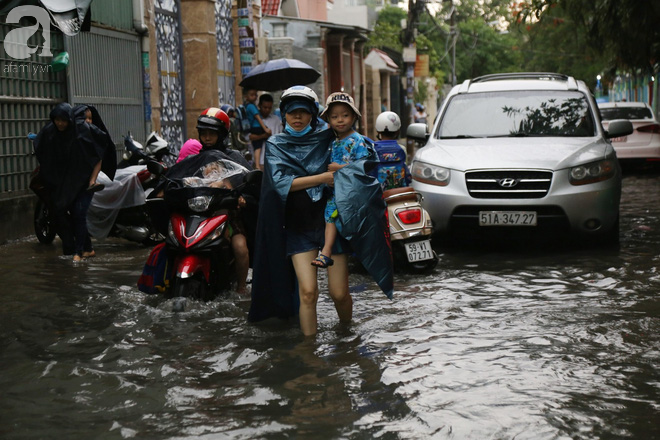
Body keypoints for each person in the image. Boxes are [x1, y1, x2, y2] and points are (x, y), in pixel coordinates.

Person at [248, 86, 393, 337]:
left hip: (331, 226)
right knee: (308, 292)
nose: (297, 117)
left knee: (338, 293)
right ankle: (309, 353)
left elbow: (361, 157)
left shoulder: (327, 137)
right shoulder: (275, 145)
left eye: (304, 112)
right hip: (298, 227)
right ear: (283, 115)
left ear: (314, 115)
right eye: (292, 112)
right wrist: (322, 177)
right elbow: (279, 184)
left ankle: (348, 336)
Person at [156, 108, 254, 294]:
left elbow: (247, 183)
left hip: (227, 216)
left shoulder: (234, 158)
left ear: (222, 134)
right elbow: (176, 179)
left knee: (240, 248)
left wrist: (238, 195)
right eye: (204, 133)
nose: (207, 137)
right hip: (195, 214)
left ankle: (241, 287)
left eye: (212, 133)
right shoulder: (192, 160)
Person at [35, 103, 116, 262]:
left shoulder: (84, 132)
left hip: (84, 183)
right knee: (68, 214)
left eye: (63, 120)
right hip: (66, 184)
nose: (60, 124)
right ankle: (87, 249)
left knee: (79, 214)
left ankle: (78, 252)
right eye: (57, 120)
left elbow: (100, 150)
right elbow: (42, 144)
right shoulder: (52, 133)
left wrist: (92, 179)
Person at [313, 92, 371, 268]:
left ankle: (328, 251)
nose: (340, 120)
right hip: (335, 192)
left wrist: (339, 169)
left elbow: (363, 167)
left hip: (352, 192)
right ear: (329, 120)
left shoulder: (358, 141)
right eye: (335, 116)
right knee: (329, 215)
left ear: (353, 117)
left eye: (345, 115)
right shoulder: (332, 142)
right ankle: (326, 251)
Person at [372, 111, 412, 190]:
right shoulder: (402, 149)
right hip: (398, 193)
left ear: (378, 131)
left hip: (378, 194)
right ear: (398, 131)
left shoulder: (372, 148)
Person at [248, 93, 282, 170]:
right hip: (258, 162)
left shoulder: (276, 119)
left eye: (269, 108)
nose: (267, 110)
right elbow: (249, 137)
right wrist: (263, 136)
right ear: (259, 106)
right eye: (265, 107)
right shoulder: (254, 120)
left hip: (273, 160)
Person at [243, 88, 272, 172]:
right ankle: (258, 165)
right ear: (246, 96)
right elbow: (258, 118)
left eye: (255, 95)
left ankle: (257, 165)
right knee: (258, 147)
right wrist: (265, 129)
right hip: (257, 127)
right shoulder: (251, 106)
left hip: (254, 128)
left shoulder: (248, 106)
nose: (254, 97)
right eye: (252, 95)